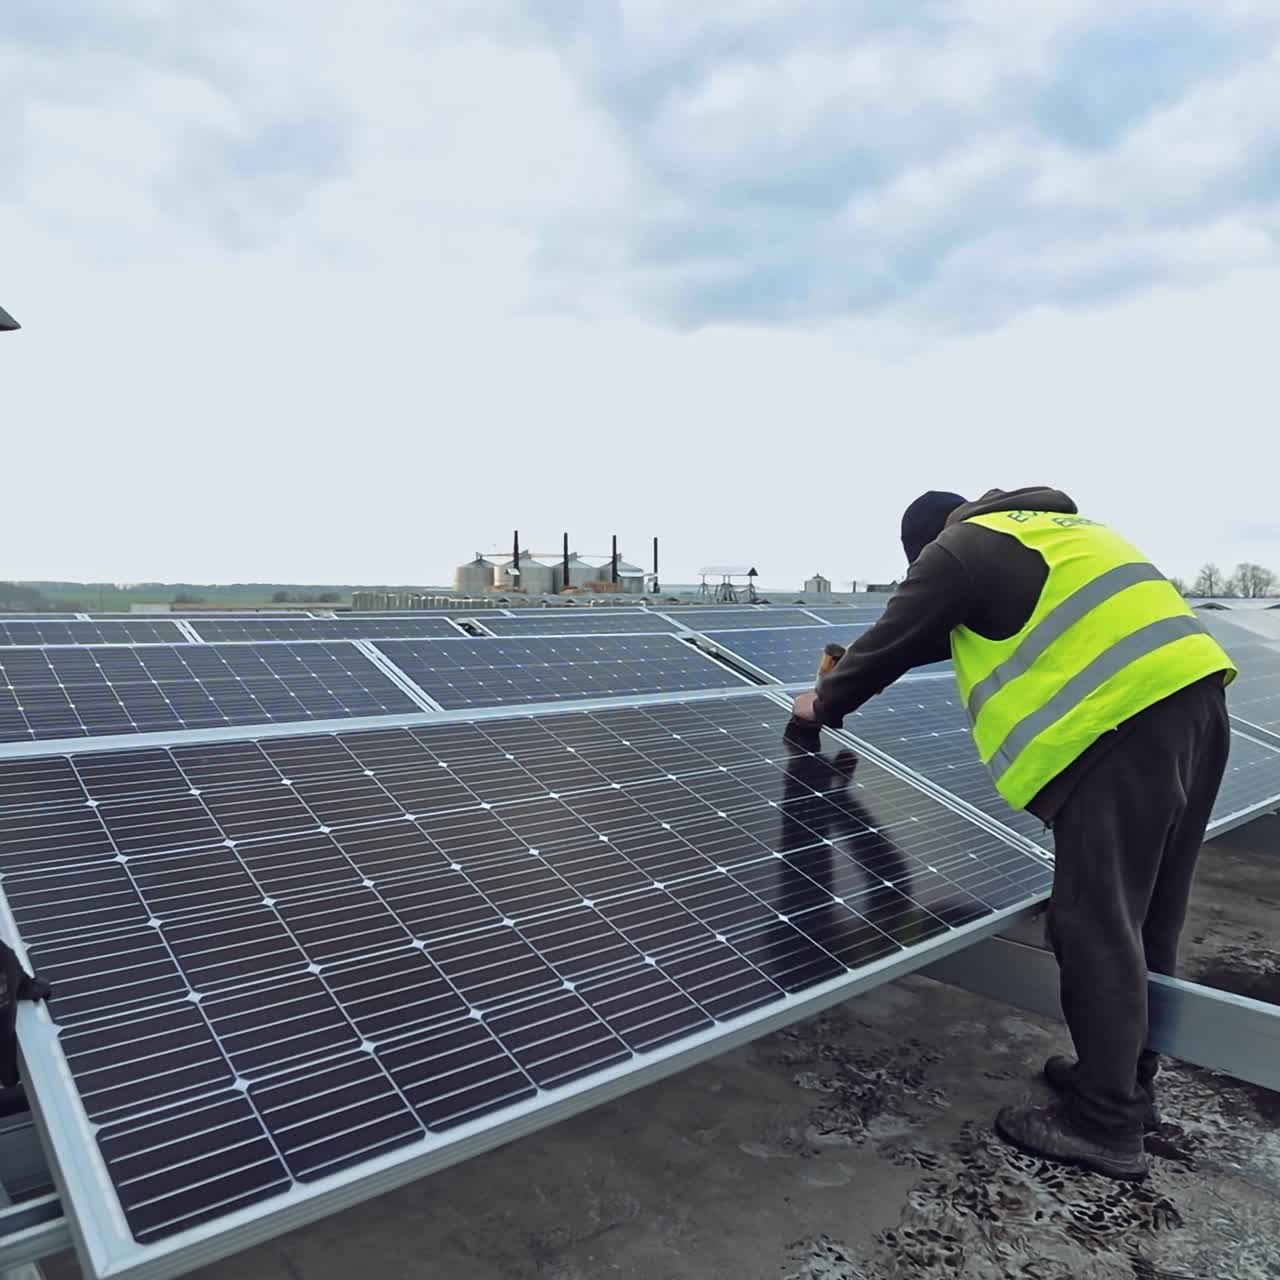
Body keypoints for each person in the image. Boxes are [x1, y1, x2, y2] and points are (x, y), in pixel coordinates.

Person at [791, 487, 1235, 1181]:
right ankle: (1119, 1082)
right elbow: (937, 634)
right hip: (1198, 706)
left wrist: (823, 701)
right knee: (1147, 916)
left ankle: (1105, 1124)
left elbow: (896, 636)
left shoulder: (955, 550)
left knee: (1092, 924)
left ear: (922, 547)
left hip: (1119, 728)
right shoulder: (1049, 530)